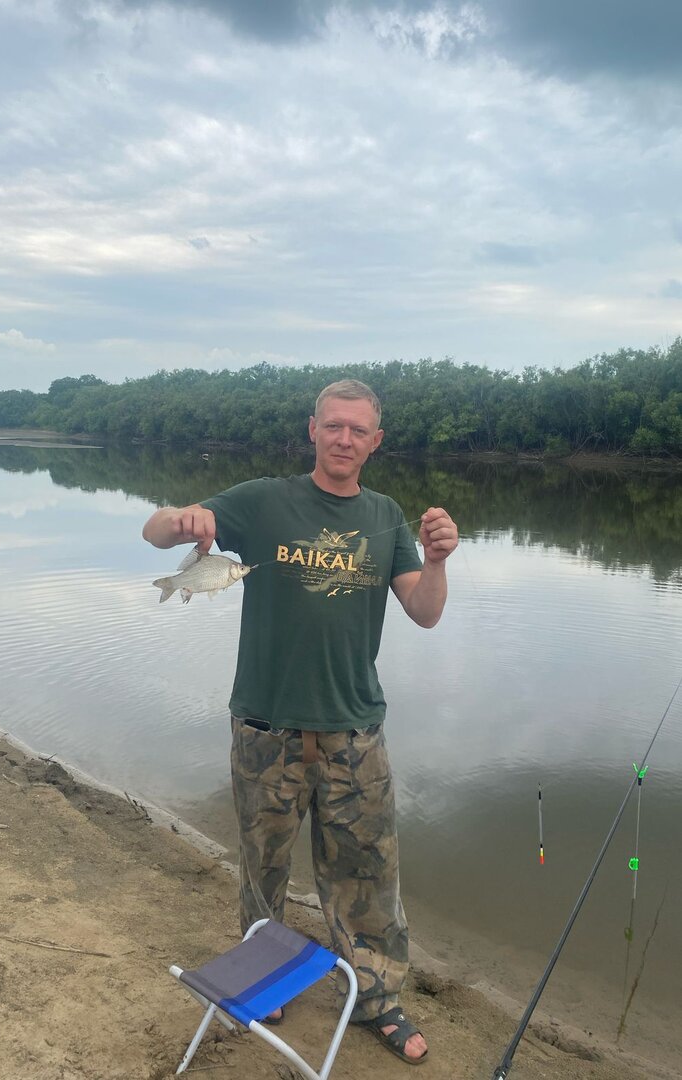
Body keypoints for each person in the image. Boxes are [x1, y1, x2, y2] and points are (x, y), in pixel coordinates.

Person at [142, 379, 458, 1065]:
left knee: (369, 874)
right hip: (267, 727)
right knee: (263, 867)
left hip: (355, 730)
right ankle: (264, 975)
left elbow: (426, 611)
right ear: (312, 429)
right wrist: (183, 520)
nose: (344, 439)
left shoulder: (386, 514)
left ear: (376, 441)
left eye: (358, 430)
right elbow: (155, 530)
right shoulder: (263, 500)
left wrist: (435, 561)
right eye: (333, 425)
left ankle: (376, 998)